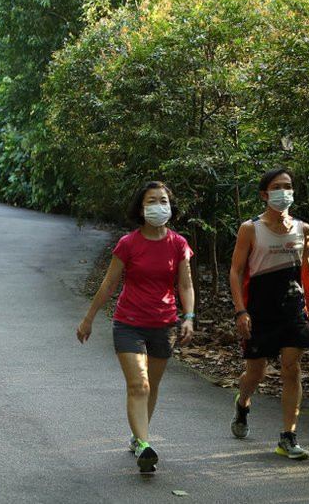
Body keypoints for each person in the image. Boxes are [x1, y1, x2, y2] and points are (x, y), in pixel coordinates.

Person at [77, 181, 195, 473]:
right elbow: (109, 283)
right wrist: (89, 318)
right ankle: (144, 445)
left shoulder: (178, 244)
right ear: (141, 209)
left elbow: (185, 284)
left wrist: (189, 316)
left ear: (171, 206)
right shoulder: (128, 244)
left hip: (164, 324)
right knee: (138, 384)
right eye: (152, 201)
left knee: (151, 386)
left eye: (163, 201)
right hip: (128, 323)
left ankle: (138, 435)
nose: (159, 206)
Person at [228, 168, 309, 460]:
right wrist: (241, 310)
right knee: (257, 372)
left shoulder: (303, 228)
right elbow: (237, 270)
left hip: (293, 308)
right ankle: (243, 403)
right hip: (259, 310)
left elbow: (307, 270)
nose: (284, 191)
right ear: (265, 194)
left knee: (292, 368)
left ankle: (288, 437)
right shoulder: (250, 228)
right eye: (277, 187)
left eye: (288, 186)